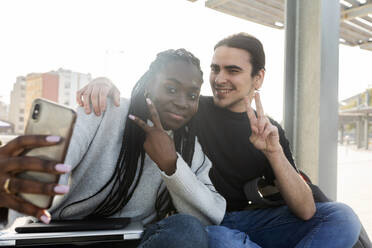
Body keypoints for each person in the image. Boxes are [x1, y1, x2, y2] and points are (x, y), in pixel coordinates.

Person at [79, 33, 362, 248]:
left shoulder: (269, 129)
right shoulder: (188, 108)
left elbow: (306, 209)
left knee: (342, 217)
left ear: (258, 78)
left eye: (233, 70)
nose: (219, 79)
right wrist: (104, 82)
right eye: (215, 69)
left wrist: (274, 152)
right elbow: (149, 95)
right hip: (208, 221)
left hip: (255, 221)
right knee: (221, 239)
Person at [4, 48, 226, 248]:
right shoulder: (104, 111)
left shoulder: (188, 148)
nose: (182, 102)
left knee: (186, 229)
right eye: (170, 89)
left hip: (132, 242)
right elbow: (48, 173)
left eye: (192, 95)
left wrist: (171, 167)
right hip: (62, 237)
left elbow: (212, 214)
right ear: (149, 86)